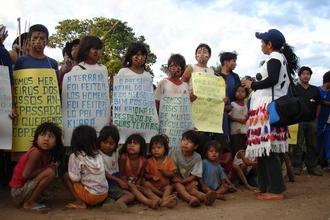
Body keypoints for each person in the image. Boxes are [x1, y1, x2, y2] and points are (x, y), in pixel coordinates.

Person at [241, 29, 299, 200]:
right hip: (265, 107)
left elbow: (273, 79)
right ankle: (265, 185)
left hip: (268, 107)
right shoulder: (279, 59)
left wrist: (253, 84)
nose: (261, 44)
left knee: (269, 149)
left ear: (270, 44)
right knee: (263, 150)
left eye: (262, 42)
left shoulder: (275, 58)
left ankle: (276, 190)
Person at [9, 122, 63, 213]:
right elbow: (25, 176)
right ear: (36, 139)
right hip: (18, 193)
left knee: (51, 170)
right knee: (50, 172)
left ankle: (33, 198)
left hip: (24, 189)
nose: (46, 139)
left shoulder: (46, 154)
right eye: (42, 135)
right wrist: (45, 169)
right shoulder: (36, 152)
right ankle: (29, 203)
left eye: (51, 136)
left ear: (55, 143)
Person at [63, 125, 108, 209]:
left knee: (66, 176)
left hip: (91, 197)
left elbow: (75, 178)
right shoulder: (98, 154)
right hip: (104, 194)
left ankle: (80, 202)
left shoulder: (75, 156)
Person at [155, 53, 193, 150]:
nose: (174, 68)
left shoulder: (185, 85)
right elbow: (156, 103)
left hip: (180, 126)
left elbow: (186, 107)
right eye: (171, 65)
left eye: (177, 66)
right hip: (166, 125)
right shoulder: (163, 83)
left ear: (182, 68)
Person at [171, 130, 217, 207]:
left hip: (190, 179)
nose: (185, 143)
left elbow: (194, 175)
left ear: (195, 146)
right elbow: (173, 172)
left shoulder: (197, 157)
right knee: (179, 186)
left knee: (192, 188)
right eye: (184, 140)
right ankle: (191, 199)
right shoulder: (175, 153)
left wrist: (184, 181)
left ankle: (205, 197)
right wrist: (180, 181)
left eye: (189, 142)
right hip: (177, 179)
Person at [291, 66, 322, 176]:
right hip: (298, 121)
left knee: (312, 144)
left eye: (308, 74)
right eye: (303, 73)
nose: (306, 75)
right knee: (297, 145)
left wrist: (316, 117)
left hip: (312, 121)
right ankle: (296, 166)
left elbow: (319, 104)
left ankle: (312, 166)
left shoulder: (315, 89)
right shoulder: (294, 88)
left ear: (310, 76)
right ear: (299, 76)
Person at [98, 125, 134, 210]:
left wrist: (122, 179)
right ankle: (118, 204)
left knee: (130, 189)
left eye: (111, 143)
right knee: (130, 196)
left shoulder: (115, 152)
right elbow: (103, 173)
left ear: (116, 144)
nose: (107, 145)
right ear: (99, 141)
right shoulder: (98, 155)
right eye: (105, 142)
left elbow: (119, 168)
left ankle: (110, 202)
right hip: (109, 182)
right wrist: (119, 180)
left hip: (116, 181)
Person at [119, 134, 159, 209]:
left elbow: (140, 176)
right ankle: (148, 202)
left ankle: (160, 201)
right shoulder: (123, 158)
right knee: (132, 187)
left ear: (141, 147)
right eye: (129, 143)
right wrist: (129, 185)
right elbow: (121, 175)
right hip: (124, 184)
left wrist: (138, 185)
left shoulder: (143, 160)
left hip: (136, 184)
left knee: (145, 188)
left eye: (135, 143)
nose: (132, 145)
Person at [215, 52, 241, 152]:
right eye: (233, 61)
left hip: (234, 111)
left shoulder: (235, 77)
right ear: (226, 62)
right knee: (222, 137)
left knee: (235, 138)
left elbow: (240, 93)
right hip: (220, 113)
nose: (235, 64)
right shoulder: (215, 75)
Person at [143, 134, 178, 208]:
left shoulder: (169, 160)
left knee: (169, 187)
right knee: (146, 184)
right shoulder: (149, 161)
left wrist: (166, 173)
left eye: (159, 147)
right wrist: (152, 177)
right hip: (153, 188)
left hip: (164, 187)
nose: (156, 150)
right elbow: (145, 174)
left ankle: (162, 200)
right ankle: (164, 200)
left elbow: (173, 174)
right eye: (153, 148)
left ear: (165, 149)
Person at [228, 85, 249, 155]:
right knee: (237, 151)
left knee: (245, 150)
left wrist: (247, 118)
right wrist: (240, 120)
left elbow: (248, 115)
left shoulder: (247, 105)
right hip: (235, 132)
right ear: (234, 93)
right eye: (238, 91)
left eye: (242, 91)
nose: (240, 93)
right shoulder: (232, 104)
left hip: (245, 132)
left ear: (246, 94)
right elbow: (229, 117)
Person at [317, 71, 330, 169]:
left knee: (328, 143)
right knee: (316, 143)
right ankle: (315, 163)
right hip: (318, 121)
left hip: (328, 122)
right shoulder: (317, 91)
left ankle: (327, 162)